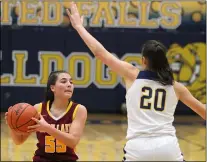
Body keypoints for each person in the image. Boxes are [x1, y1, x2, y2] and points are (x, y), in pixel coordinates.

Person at [66, 2, 206, 161]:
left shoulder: (132, 74)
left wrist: (79, 27)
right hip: (168, 147)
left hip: (138, 148)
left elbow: (100, 54)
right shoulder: (176, 87)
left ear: (144, 60)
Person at [5, 70, 87, 162]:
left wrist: (47, 128)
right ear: (52, 88)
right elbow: (19, 141)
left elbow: (73, 141)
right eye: (64, 81)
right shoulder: (38, 109)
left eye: (71, 82)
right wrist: (12, 124)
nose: (69, 84)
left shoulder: (79, 110)